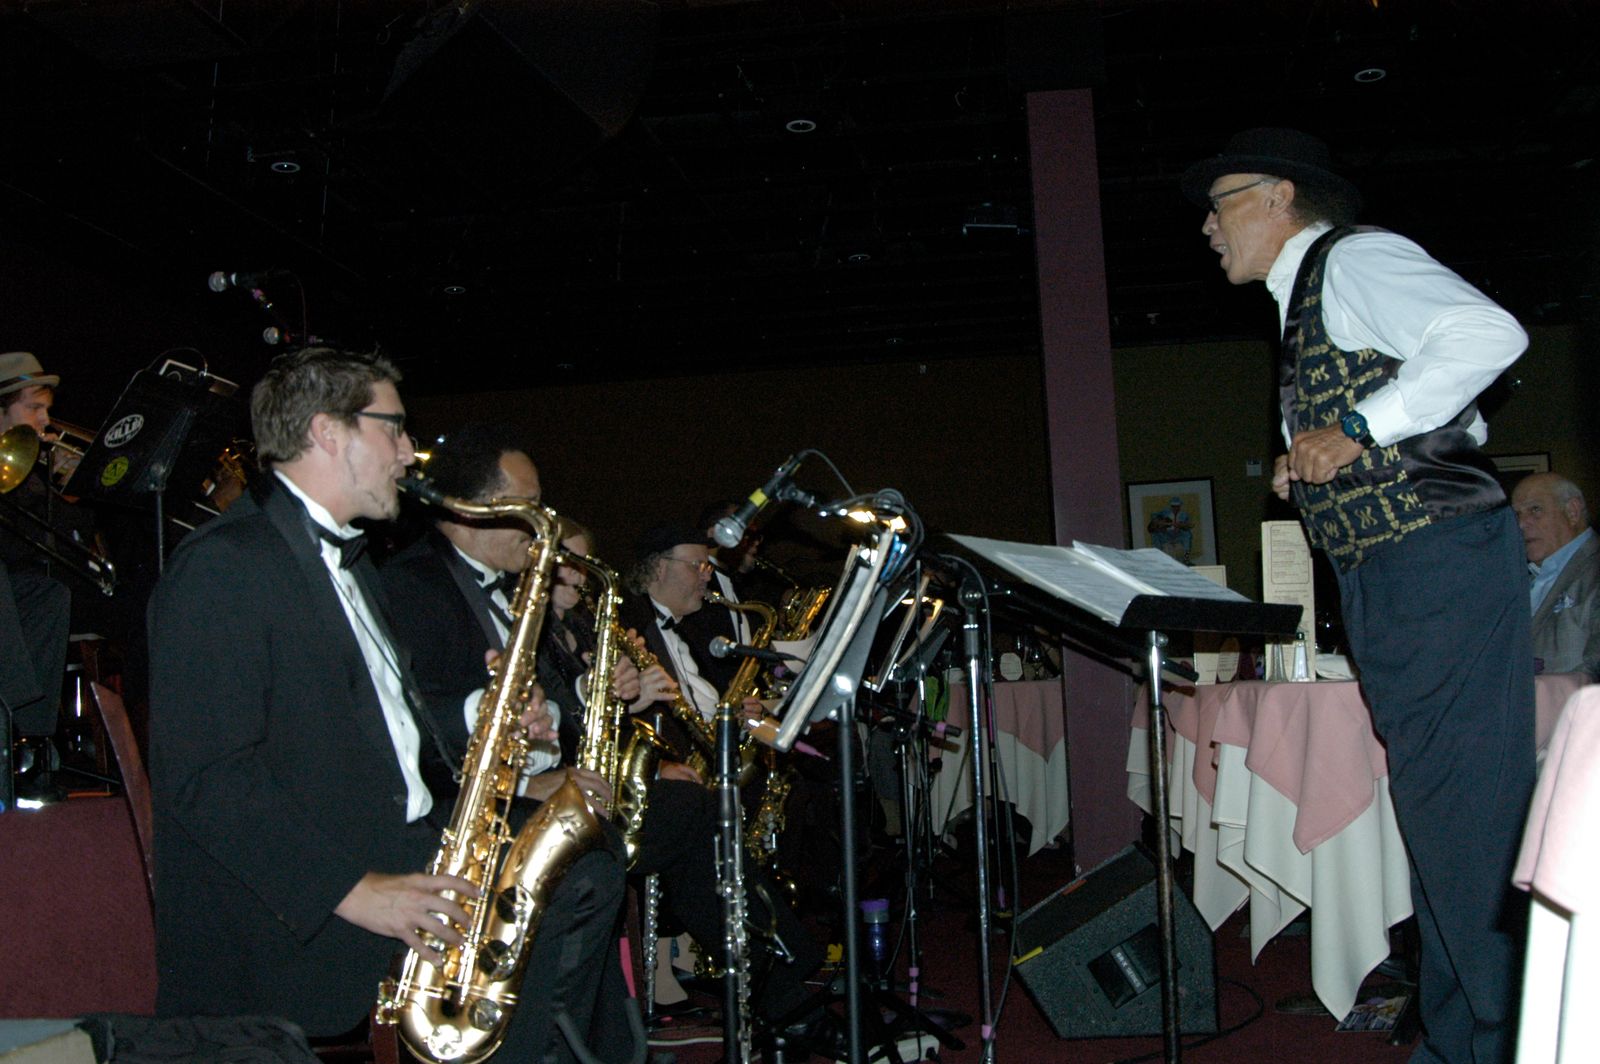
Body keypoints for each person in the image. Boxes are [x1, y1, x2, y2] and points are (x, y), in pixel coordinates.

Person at [148, 349, 626, 1062]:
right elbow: (206, 778)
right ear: (328, 431)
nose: (408, 453)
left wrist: (487, 722)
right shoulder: (225, 565)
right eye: (394, 428)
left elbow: (383, 734)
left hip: (390, 838)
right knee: (558, 895)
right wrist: (358, 892)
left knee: (586, 868)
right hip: (302, 898)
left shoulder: (352, 563)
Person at [1185, 128, 1534, 1063]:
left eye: (1218, 205)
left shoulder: (1352, 259)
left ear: (1278, 197)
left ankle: (1505, 1040)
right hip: (1399, 572)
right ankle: (1461, 1039)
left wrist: (1352, 429)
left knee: (1465, 813)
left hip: (1435, 562)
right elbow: (1435, 410)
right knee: (1440, 813)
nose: (1208, 227)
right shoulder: (1307, 301)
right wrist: (1322, 459)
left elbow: (1489, 335)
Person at [382, 427, 823, 1038]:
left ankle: (768, 985)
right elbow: (411, 726)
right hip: (484, 806)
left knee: (685, 814)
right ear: (471, 508)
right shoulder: (412, 585)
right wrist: (527, 778)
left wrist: (597, 695)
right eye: (528, 506)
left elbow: (558, 705)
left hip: (553, 788)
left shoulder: (507, 589)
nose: (543, 522)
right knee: (640, 843)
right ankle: (768, 991)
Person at [0, 352, 72, 799]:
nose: (46, 420)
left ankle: (32, 740)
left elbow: (42, 548)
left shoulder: (22, 466)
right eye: (33, 408)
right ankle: (11, 725)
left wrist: (60, 488)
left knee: (49, 593)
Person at [1511, 472, 1599, 679]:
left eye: (1535, 510)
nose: (1521, 524)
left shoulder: (1594, 569)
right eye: (1517, 515)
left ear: (1572, 511)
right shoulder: (1517, 578)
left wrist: (1565, 686)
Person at [1146, 495, 1194, 562]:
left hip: (1178, 535)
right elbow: (1154, 517)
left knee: (1187, 534)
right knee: (1155, 535)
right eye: (1173, 506)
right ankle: (1158, 556)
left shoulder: (1184, 515)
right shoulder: (1165, 512)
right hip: (1166, 535)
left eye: (1177, 506)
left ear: (1180, 506)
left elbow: (1189, 525)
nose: (1175, 508)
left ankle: (1186, 558)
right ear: (1171, 506)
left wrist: (1181, 525)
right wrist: (1163, 523)